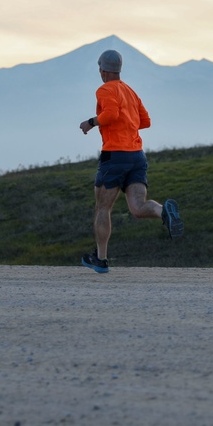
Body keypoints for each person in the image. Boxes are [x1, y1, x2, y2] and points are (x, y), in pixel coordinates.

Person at [78, 49, 183, 274]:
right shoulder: (130, 91)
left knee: (102, 207)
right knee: (138, 207)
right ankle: (163, 211)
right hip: (136, 156)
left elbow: (111, 115)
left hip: (115, 156)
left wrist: (91, 122)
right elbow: (145, 121)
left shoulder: (105, 89)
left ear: (103, 70)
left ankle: (101, 259)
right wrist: (128, 124)